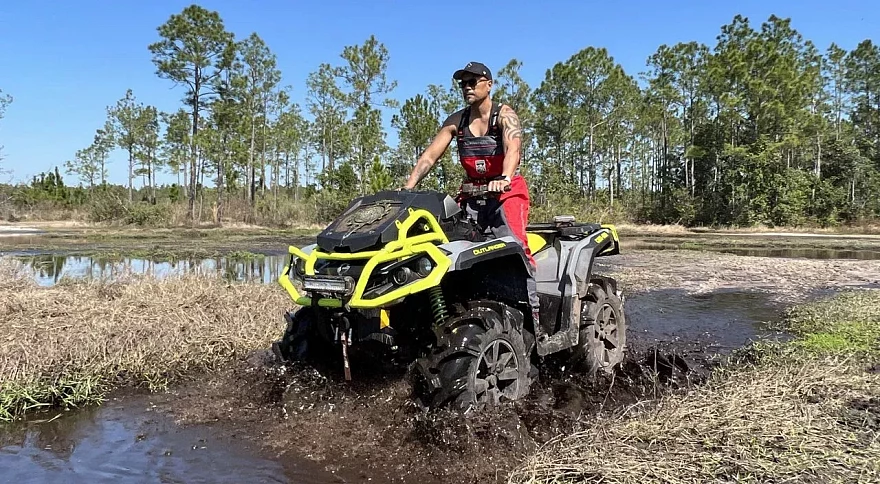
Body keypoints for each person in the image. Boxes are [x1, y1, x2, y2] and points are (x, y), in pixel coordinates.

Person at [402, 61, 540, 327]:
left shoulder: (504, 116)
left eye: (473, 82)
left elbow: (513, 149)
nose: (467, 87)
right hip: (472, 194)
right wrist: (409, 186)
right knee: (448, 245)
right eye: (463, 83)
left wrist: (505, 177)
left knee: (515, 246)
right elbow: (429, 157)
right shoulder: (457, 121)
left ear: (489, 84)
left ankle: (532, 312)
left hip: (506, 193)